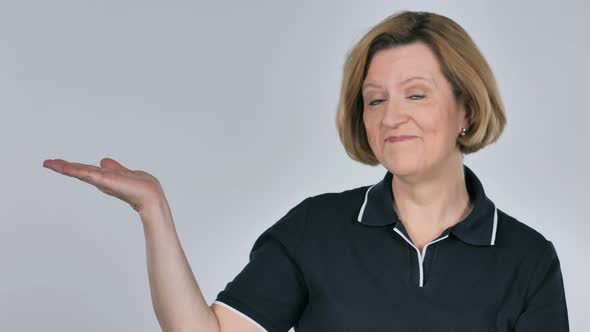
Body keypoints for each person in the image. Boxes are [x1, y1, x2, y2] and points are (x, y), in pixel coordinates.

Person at [42, 10, 569, 332]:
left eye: (416, 94)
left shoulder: (528, 260)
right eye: (374, 100)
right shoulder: (316, 229)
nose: (392, 116)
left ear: (467, 109)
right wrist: (153, 210)